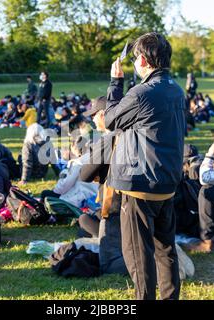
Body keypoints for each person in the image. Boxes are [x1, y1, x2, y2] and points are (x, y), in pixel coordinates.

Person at [104, 33, 184, 300]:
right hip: (166, 181)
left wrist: (116, 83)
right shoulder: (175, 88)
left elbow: (110, 120)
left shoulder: (141, 93)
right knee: (166, 250)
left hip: (140, 186)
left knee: (139, 255)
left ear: (142, 59)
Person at [79, 96, 127, 276]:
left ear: (104, 114)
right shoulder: (130, 132)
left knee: (108, 262)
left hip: (114, 201)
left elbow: (85, 174)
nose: (92, 119)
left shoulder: (109, 138)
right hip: (134, 199)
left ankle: (154, 266)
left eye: (94, 115)